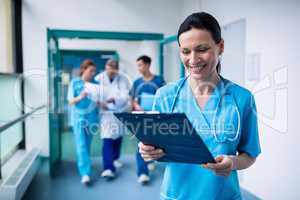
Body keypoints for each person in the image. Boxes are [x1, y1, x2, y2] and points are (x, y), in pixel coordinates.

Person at [139, 12, 261, 199]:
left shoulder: (242, 99)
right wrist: (147, 151)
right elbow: (155, 148)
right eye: (185, 51)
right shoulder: (165, 96)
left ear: (220, 47)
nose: (193, 59)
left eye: (202, 49)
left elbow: (250, 155)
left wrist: (233, 162)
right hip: (177, 195)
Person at [129, 55, 165, 184]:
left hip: (155, 116)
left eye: (140, 65)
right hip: (141, 116)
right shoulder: (137, 82)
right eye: (137, 65)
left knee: (154, 142)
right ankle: (142, 173)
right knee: (142, 143)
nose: (138, 68)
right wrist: (136, 105)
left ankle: (149, 160)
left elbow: (164, 97)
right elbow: (132, 99)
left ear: (148, 65)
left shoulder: (159, 81)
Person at [95, 59, 131, 180]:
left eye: (114, 69)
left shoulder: (122, 79)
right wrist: (100, 102)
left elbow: (125, 96)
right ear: (106, 67)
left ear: (116, 69)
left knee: (118, 138)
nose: (111, 71)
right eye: (109, 68)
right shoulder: (99, 78)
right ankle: (108, 168)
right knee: (107, 139)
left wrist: (114, 100)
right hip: (106, 114)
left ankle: (115, 158)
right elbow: (94, 93)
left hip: (119, 111)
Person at [67, 59, 99, 185]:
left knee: (87, 144)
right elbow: (70, 101)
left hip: (92, 119)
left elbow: (98, 101)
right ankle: (85, 173)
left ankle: (86, 166)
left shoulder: (95, 83)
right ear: (83, 70)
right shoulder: (75, 82)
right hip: (78, 119)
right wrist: (81, 96)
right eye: (91, 71)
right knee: (81, 145)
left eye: (94, 71)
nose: (92, 73)